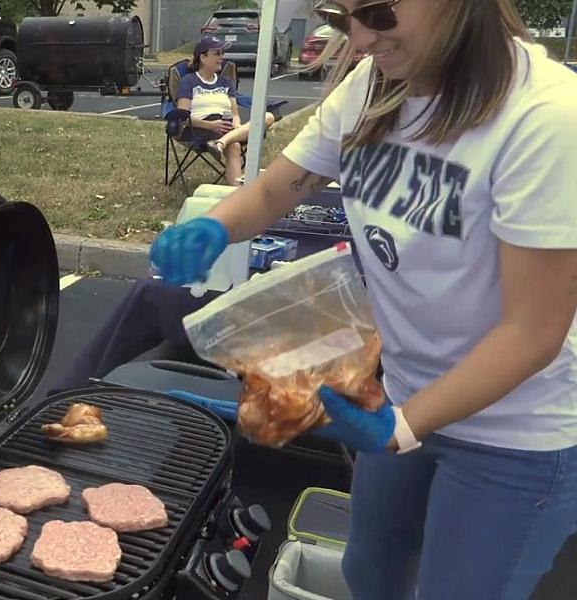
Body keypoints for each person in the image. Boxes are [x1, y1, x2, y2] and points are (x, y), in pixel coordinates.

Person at [150, 1, 577, 598]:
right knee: (370, 573)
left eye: (375, 11)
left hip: (513, 435)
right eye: (339, 13)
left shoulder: (546, 117)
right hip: (402, 396)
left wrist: (402, 428)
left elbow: (533, 332)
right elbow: (277, 187)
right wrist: (216, 226)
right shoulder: (375, 85)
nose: (356, 36)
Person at [176, 36, 275, 186]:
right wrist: (210, 125)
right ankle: (238, 193)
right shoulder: (189, 81)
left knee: (268, 116)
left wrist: (236, 124)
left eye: (222, 53)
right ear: (202, 57)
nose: (222, 57)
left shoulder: (226, 82)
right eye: (217, 53)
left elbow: (234, 113)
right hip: (200, 129)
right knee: (234, 146)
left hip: (226, 127)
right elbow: (182, 117)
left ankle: (221, 143)